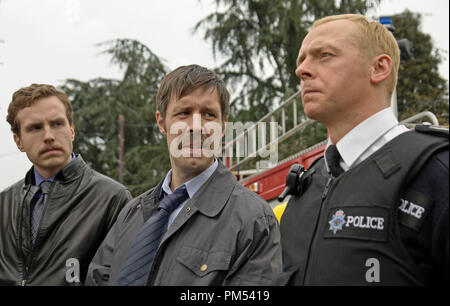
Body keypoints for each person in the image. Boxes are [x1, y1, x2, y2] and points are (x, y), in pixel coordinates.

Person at [279, 14, 448, 285]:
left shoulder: (436, 174)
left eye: (324, 55)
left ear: (379, 68)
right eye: (301, 60)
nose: (302, 70)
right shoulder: (304, 187)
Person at [85, 64, 282, 286]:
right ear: (161, 122)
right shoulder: (130, 214)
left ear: (223, 125)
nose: (196, 127)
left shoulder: (254, 220)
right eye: (184, 113)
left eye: (209, 114)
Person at [0, 84, 132, 285]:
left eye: (57, 124)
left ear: (71, 130)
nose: (48, 136)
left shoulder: (112, 198)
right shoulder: (4, 204)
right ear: (18, 141)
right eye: (35, 128)